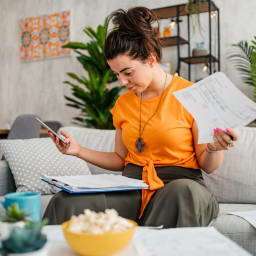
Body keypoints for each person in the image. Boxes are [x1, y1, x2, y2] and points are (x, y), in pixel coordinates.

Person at [44, 6, 238, 226]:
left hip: (183, 186)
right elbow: (120, 159)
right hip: (133, 187)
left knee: (180, 193)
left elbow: (209, 165)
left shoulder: (192, 95)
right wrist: (78, 151)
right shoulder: (123, 103)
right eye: (117, 74)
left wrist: (214, 147)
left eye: (127, 72)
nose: (123, 82)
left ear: (151, 59)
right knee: (66, 202)